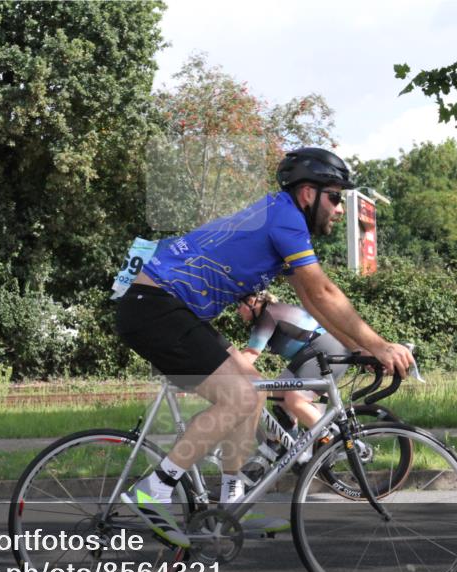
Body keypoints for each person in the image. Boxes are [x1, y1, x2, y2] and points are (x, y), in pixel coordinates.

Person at [115, 147, 414, 548]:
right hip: (155, 306)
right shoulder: (286, 219)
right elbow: (323, 293)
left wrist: (357, 348)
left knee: (254, 389)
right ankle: (154, 489)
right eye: (334, 197)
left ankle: (230, 503)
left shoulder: (280, 215)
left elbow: (311, 301)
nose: (340, 208)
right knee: (239, 396)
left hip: (170, 307)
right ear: (307, 193)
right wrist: (379, 346)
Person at [237, 290, 353, 468]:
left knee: (295, 399)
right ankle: (290, 446)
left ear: (252, 302)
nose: (237, 310)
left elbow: (251, 353)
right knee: (277, 392)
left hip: (326, 349)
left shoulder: (267, 315)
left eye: (239, 305)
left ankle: (333, 440)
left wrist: (220, 373)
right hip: (309, 354)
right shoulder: (268, 314)